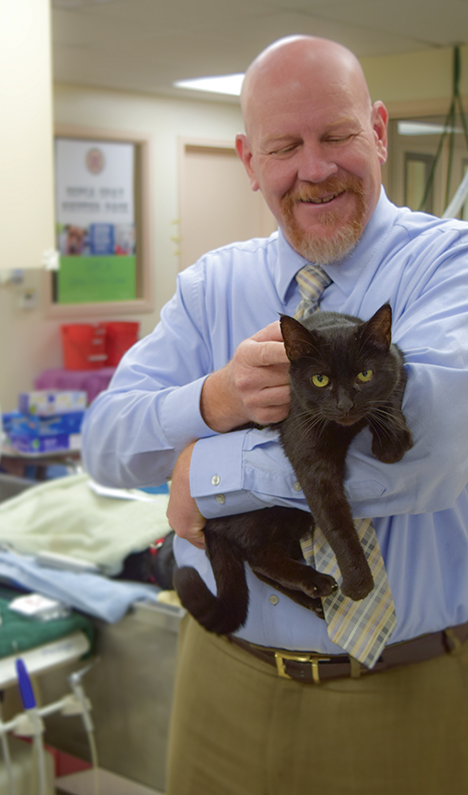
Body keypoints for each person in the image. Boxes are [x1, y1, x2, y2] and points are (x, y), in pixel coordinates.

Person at [82, 35, 468, 795]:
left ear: (379, 131)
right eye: (285, 147)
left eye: (337, 135)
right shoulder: (209, 289)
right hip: (223, 676)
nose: (314, 169)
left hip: (407, 688)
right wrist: (214, 400)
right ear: (250, 161)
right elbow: (103, 444)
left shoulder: (449, 265)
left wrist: (208, 470)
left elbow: (434, 452)